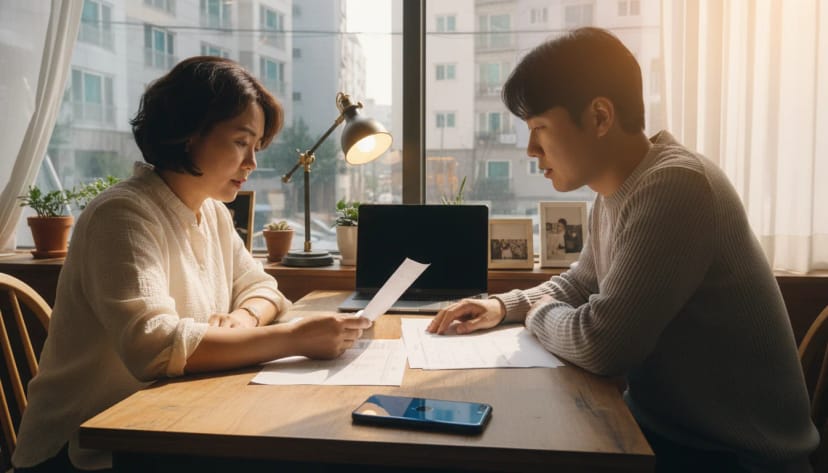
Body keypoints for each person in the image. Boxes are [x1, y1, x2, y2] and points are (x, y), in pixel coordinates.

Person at [428, 28, 818, 473]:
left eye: (539, 128)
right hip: (668, 436)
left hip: (732, 458)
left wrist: (534, 316)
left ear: (599, 117)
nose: (531, 149)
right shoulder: (617, 191)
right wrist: (503, 305)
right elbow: (580, 283)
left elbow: (604, 344)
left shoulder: (675, 186)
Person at [12, 56, 370, 472]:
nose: (252, 163)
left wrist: (243, 320)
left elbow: (262, 287)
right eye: (241, 142)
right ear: (187, 134)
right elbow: (155, 347)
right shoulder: (123, 215)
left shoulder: (212, 210)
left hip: (163, 425)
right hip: (81, 449)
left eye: (256, 147)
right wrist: (294, 338)